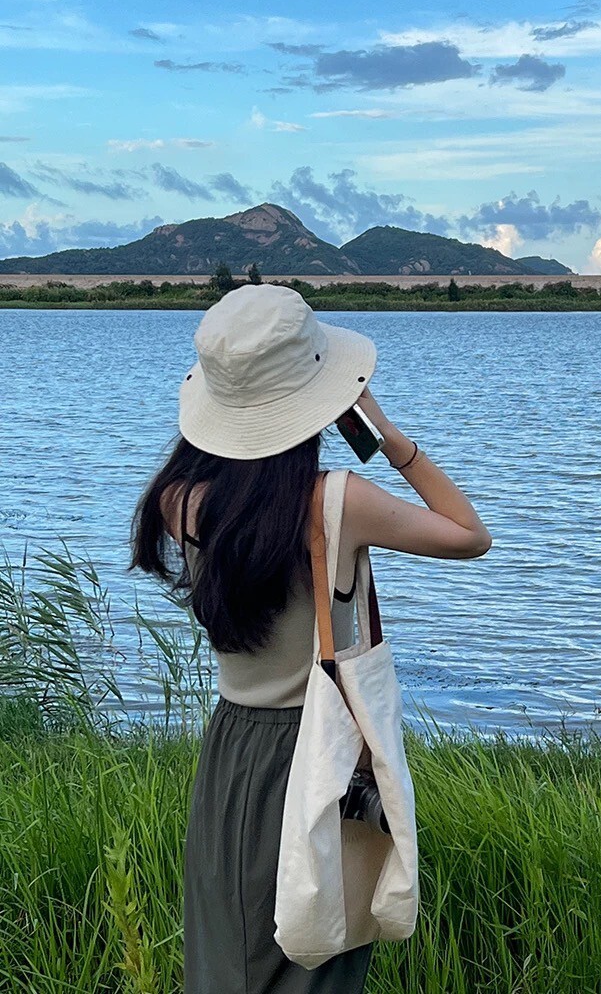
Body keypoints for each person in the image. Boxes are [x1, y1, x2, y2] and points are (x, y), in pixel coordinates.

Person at [129, 283, 492, 994]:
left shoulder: (179, 500)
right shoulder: (338, 502)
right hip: (320, 749)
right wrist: (388, 436)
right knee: (318, 947)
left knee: (229, 952)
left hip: (231, 750)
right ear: (316, 398)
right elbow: (469, 534)